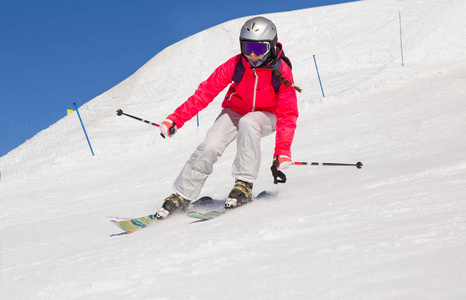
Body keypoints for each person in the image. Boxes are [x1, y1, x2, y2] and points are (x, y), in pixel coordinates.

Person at [155, 16, 301, 219]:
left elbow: (287, 114)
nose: (251, 54)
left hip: (268, 115)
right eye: (247, 47)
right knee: (210, 146)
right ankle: (182, 195)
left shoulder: (281, 71)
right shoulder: (236, 64)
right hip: (236, 109)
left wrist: (282, 151)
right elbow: (205, 92)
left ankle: (244, 185)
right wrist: (175, 119)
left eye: (258, 49)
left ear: (271, 46)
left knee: (249, 122)